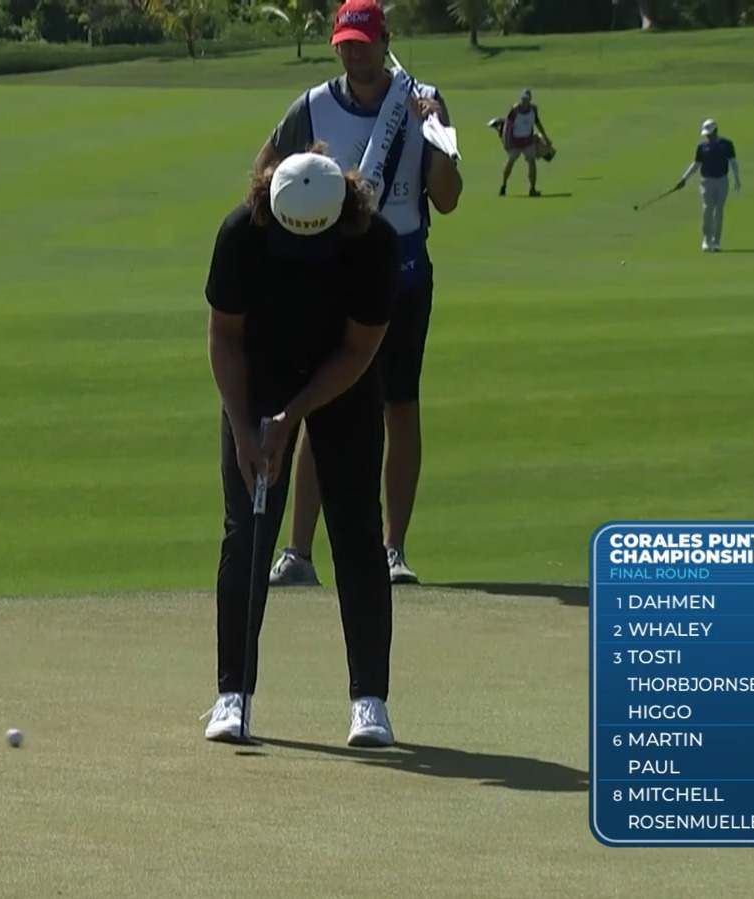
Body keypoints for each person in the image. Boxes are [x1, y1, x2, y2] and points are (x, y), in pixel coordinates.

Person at [255, 0, 461, 589]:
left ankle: (392, 550)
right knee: (319, 403)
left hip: (404, 273)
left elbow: (446, 197)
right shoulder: (313, 106)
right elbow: (265, 175)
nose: (354, 52)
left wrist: (437, 134)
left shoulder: (422, 100)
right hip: (331, 278)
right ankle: (298, 553)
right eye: (345, 42)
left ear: (384, 41)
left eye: (363, 42)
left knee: (400, 406)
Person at [202, 150, 400, 747]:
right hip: (258, 376)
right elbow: (224, 338)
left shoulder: (374, 241)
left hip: (343, 380)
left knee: (357, 531)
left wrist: (293, 419)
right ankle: (231, 695)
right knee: (248, 531)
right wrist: (245, 427)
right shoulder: (241, 233)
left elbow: (359, 351)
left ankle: (370, 701)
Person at [676, 118, 741, 252]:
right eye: (706, 135)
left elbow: (733, 162)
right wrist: (684, 178)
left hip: (722, 181)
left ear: (715, 131)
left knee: (719, 211)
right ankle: (706, 240)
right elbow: (696, 164)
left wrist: (737, 179)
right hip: (706, 182)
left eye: (709, 134)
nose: (707, 137)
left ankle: (716, 242)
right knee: (707, 210)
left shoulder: (727, 144)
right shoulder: (702, 147)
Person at [499, 89, 551, 197]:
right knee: (511, 162)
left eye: (526, 99)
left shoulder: (533, 109)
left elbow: (537, 123)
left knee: (532, 162)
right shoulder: (515, 110)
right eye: (523, 99)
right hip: (514, 141)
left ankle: (532, 189)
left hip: (528, 141)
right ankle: (503, 186)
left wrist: (545, 137)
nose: (524, 101)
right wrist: (506, 141)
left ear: (529, 99)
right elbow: (507, 126)